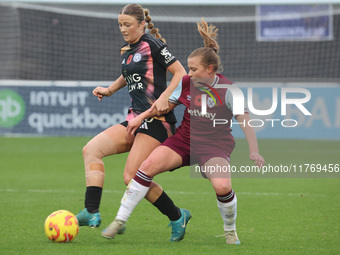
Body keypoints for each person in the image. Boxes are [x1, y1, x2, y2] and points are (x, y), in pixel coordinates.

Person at [101, 18, 265, 244]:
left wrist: (254, 150)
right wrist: (141, 117)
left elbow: (245, 120)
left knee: (223, 186)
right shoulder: (187, 82)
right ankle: (119, 220)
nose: (189, 73)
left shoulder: (229, 90)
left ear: (210, 70)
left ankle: (230, 230)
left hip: (214, 147)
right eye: (189, 68)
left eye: (194, 69)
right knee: (146, 167)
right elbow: (164, 104)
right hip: (184, 141)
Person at [76, 3, 189, 242]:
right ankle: (92, 211)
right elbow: (129, 75)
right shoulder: (127, 50)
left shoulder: (153, 44)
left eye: (127, 25)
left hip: (158, 121)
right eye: (120, 25)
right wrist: (109, 90)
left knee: (131, 177)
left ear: (141, 25)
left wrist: (163, 99)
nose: (123, 29)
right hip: (134, 119)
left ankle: (177, 216)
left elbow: (181, 73)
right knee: (91, 150)